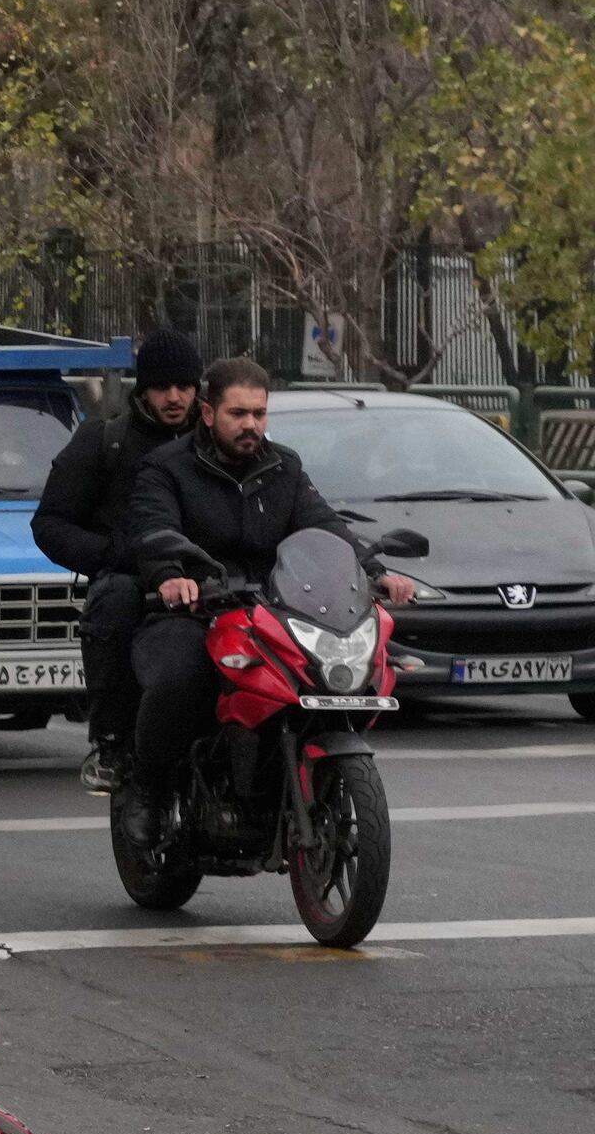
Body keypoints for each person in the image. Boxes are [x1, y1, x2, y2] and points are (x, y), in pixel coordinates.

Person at [120, 359, 412, 840]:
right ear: (209, 414)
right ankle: (149, 789)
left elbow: (324, 526)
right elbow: (152, 527)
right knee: (180, 679)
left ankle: (279, 774)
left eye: (259, 413)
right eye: (239, 413)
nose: (251, 424)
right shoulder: (167, 467)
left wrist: (375, 572)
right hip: (195, 608)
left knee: (325, 676)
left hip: (273, 609)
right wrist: (169, 574)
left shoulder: (285, 467)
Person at [32, 330, 201, 795]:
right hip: (132, 584)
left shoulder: (214, 443)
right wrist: (110, 556)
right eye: (162, 386)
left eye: (184, 386)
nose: (174, 397)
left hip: (207, 580)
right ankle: (110, 743)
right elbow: (50, 524)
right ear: (142, 388)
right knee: (114, 599)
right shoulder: (104, 440)